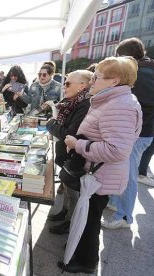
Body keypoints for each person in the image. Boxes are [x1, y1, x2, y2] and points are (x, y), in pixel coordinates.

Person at [61, 56, 142, 274]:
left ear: (114, 81)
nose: (92, 81)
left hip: (101, 175)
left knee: (90, 220)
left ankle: (86, 262)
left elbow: (117, 150)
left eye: (97, 77)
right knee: (88, 218)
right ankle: (81, 256)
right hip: (99, 173)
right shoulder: (114, 101)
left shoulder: (120, 106)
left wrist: (78, 144)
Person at [102, 37, 154, 228]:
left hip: (138, 134)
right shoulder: (145, 70)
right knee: (122, 170)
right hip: (138, 132)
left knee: (129, 174)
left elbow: (144, 105)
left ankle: (124, 217)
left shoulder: (143, 74)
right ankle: (116, 204)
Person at [45, 70, 92, 235]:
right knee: (67, 188)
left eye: (68, 83)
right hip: (66, 156)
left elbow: (69, 134)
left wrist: (51, 125)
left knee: (72, 193)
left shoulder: (84, 104)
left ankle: (69, 222)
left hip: (74, 158)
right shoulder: (72, 102)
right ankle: (65, 212)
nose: (64, 87)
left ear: (82, 86)